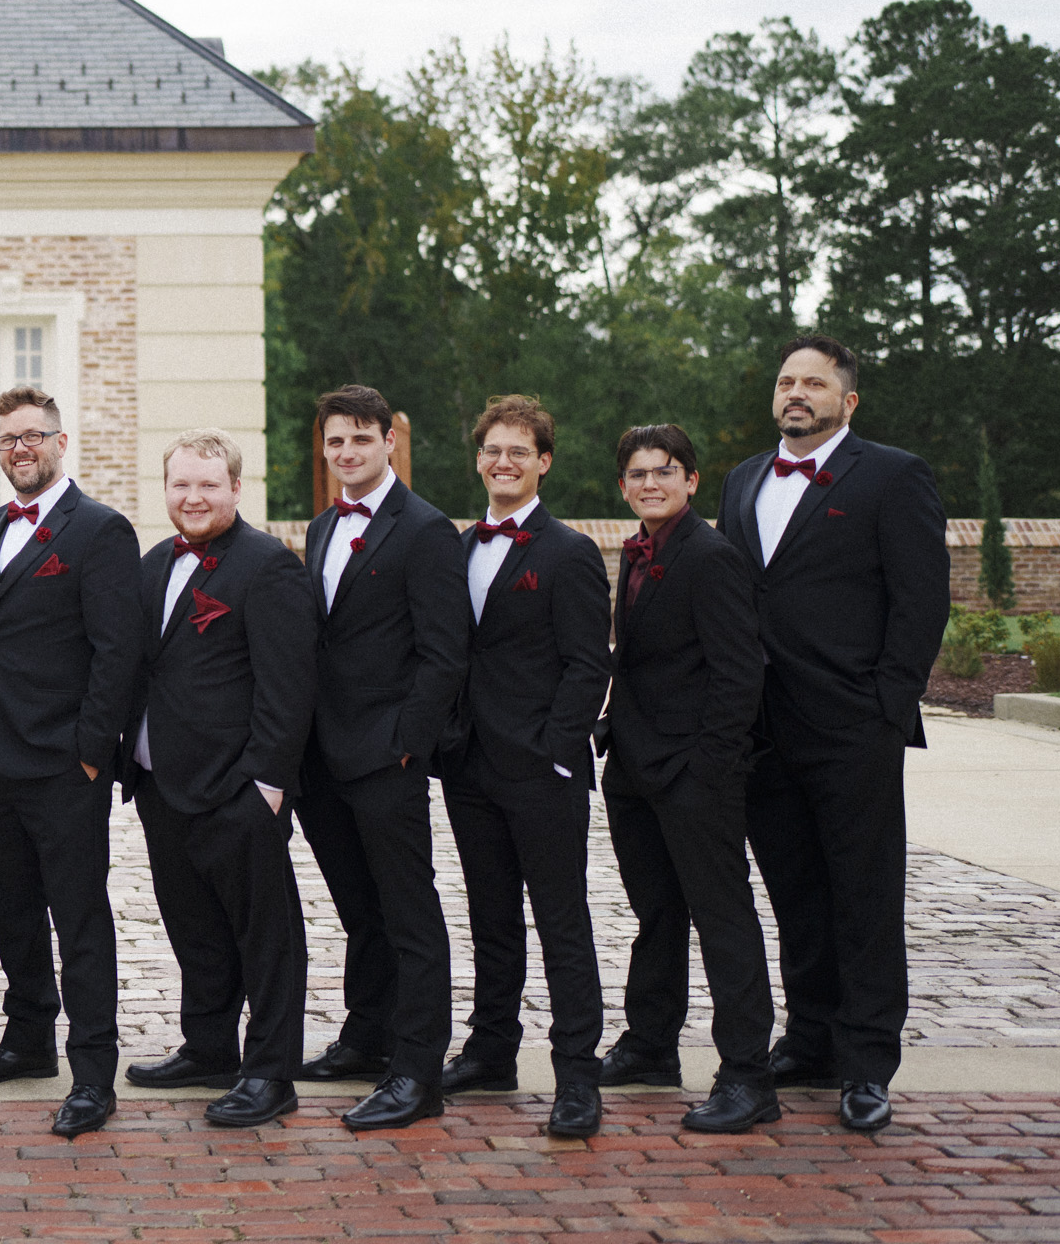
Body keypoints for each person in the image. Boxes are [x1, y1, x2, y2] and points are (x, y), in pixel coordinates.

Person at [718, 334, 947, 1134]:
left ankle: (866, 1063)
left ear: (847, 401)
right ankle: (810, 1039)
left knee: (864, 896)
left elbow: (921, 601)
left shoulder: (893, 475)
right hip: (760, 729)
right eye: (786, 381)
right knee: (795, 894)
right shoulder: (745, 479)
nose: (796, 393)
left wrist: (888, 704)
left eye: (814, 383)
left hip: (854, 727)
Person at [0, 385, 144, 1139]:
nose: (20, 449)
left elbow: (117, 651)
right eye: (6, 440)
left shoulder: (99, 530)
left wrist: (92, 754)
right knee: (13, 911)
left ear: (60, 442)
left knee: (81, 918)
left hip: (66, 765)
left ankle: (93, 1073)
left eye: (32, 436)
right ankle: (28, 1037)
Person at [119, 429, 315, 1129]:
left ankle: (270, 1073)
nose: (193, 497)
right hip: (161, 783)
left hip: (237, 789)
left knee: (266, 936)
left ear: (236, 487)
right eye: (180, 485)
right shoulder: (150, 566)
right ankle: (208, 1047)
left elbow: (287, 689)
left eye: (208, 484)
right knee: (193, 928)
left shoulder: (267, 567)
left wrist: (265, 785)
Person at [291, 384, 469, 1132]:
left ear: (388, 440)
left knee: (408, 912)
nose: (346, 453)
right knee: (358, 908)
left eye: (360, 439)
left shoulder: (425, 530)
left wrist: (407, 745)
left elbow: (444, 652)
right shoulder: (323, 526)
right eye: (335, 441)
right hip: (322, 758)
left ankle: (417, 1069)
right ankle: (367, 1035)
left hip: (386, 755)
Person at [433, 396, 611, 1138]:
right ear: (478, 460)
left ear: (543, 461)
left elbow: (587, 664)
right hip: (470, 768)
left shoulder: (567, 552)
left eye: (518, 451)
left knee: (562, 924)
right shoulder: (458, 545)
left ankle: (577, 1077)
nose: (502, 462)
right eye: (492, 451)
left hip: (542, 772)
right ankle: (491, 1051)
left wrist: (555, 753)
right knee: (491, 918)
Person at [599, 423, 778, 1134]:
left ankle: (747, 1076)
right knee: (657, 917)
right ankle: (650, 1045)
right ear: (623, 486)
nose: (651, 482)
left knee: (723, 920)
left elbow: (740, 675)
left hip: (694, 775)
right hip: (635, 769)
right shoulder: (636, 551)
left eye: (665, 471)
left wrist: (708, 769)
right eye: (638, 473)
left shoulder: (710, 556)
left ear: (692, 481)